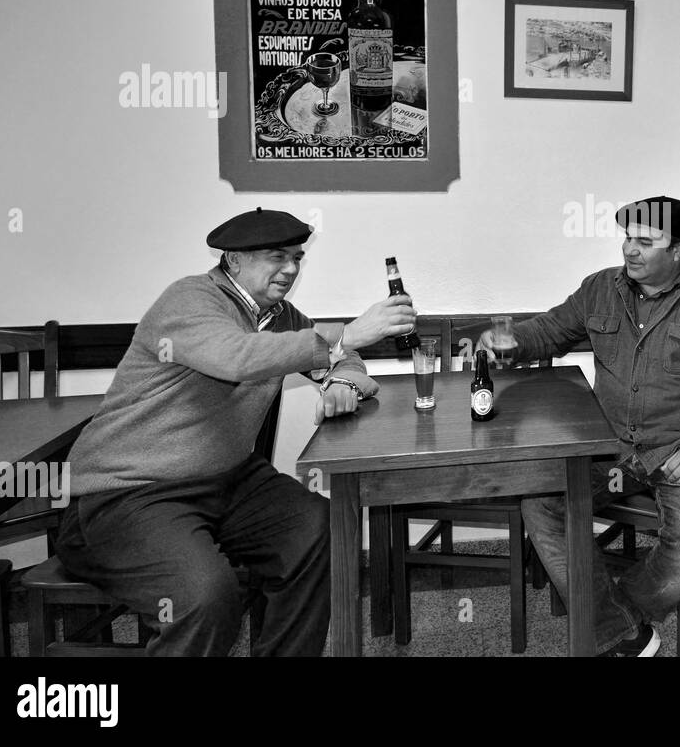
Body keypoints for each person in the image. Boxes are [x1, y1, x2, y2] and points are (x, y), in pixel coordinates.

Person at [57, 208, 416, 656]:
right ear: (234, 260)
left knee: (318, 528)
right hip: (128, 493)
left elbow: (346, 364)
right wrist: (348, 334)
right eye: (275, 256)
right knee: (203, 596)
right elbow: (238, 357)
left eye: (296, 257)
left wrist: (342, 380)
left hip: (228, 479)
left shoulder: (280, 316)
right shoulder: (189, 300)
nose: (289, 268)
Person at [479, 196, 680, 656]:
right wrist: (512, 342)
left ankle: (612, 619)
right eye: (628, 238)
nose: (630, 250)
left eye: (645, 241)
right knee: (542, 502)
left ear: (678, 249)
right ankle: (622, 634)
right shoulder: (600, 289)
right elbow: (550, 330)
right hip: (608, 449)